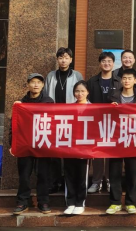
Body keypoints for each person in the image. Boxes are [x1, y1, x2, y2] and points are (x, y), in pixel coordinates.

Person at [106, 70, 136, 216]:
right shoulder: (112, 96)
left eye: (130, 78)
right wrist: (110, 108)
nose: (126, 81)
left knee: (132, 172)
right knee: (114, 172)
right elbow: (105, 116)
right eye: (124, 78)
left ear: (135, 80)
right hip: (116, 139)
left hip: (133, 139)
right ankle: (115, 202)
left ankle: (130, 203)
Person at [10, 73, 54, 215]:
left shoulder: (49, 102)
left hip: (43, 143)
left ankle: (43, 201)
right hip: (25, 144)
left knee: (43, 174)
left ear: (43, 85)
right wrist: (12, 144)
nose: (36, 85)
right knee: (24, 175)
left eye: (39, 82)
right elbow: (13, 126)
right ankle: (22, 202)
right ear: (28, 84)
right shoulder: (20, 103)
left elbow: (54, 122)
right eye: (33, 82)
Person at [45, 47, 84, 194]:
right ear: (57, 59)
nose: (63, 60)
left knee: (69, 150)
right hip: (54, 117)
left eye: (66, 58)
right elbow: (46, 94)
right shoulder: (51, 75)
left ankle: (69, 181)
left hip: (71, 118)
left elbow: (81, 94)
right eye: (61, 57)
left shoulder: (77, 75)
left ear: (71, 60)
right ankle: (55, 181)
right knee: (54, 151)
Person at [86, 52, 121, 194]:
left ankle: (110, 180)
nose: (106, 64)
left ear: (113, 63)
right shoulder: (92, 81)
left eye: (109, 61)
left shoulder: (119, 81)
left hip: (115, 122)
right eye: (104, 61)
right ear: (100, 63)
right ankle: (97, 181)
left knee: (112, 152)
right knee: (98, 152)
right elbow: (87, 101)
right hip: (97, 121)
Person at [63, 81, 91, 216]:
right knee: (69, 174)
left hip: (84, 148)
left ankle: (80, 203)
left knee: (81, 175)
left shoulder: (94, 108)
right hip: (69, 146)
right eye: (77, 91)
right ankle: (70, 202)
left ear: (88, 92)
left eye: (82, 91)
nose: (80, 94)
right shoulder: (69, 108)